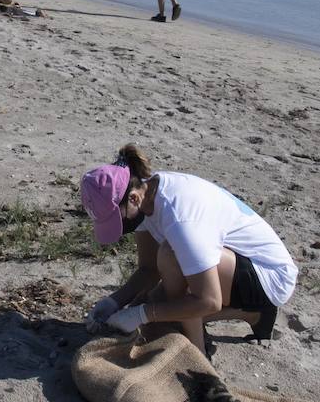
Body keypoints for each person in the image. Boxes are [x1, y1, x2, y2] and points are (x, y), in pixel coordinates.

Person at [80, 144, 297, 359]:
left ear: (133, 198)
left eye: (117, 219)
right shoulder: (144, 193)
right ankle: (254, 314)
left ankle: (197, 352)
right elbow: (149, 269)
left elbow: (208, 300)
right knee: (158, 300)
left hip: (269, 276)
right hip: (235, 261)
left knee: (171, 257)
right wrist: (114, 302)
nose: (120, 227)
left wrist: (142, 313)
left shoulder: (180, 217)